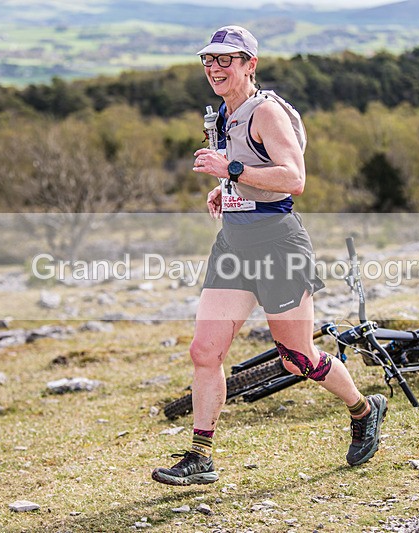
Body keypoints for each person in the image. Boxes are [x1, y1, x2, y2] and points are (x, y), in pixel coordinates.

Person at [152, 25, 387, 486]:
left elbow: (293, 179)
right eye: (208, 60)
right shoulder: (224, 113)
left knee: (297, 358)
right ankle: (200, 456)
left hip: (278, 244)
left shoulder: (266, 112)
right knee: (205, 351)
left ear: (250, 64)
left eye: (226, 60)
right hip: (234, 244)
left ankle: (363, 408)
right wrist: (226, 189)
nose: (214, 68)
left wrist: (231, 169)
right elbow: (248, 175)